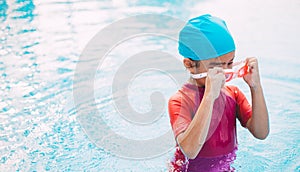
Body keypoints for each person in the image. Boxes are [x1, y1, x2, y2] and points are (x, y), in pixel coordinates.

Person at [168, 14, 269, 171]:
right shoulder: (180, 101)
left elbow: (261, 133)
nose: (227, 72)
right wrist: (209, 96)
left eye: (230, 63)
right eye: (218, 66)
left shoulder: (232, 93)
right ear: (190, 65)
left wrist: (256, 87)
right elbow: (190, 150)